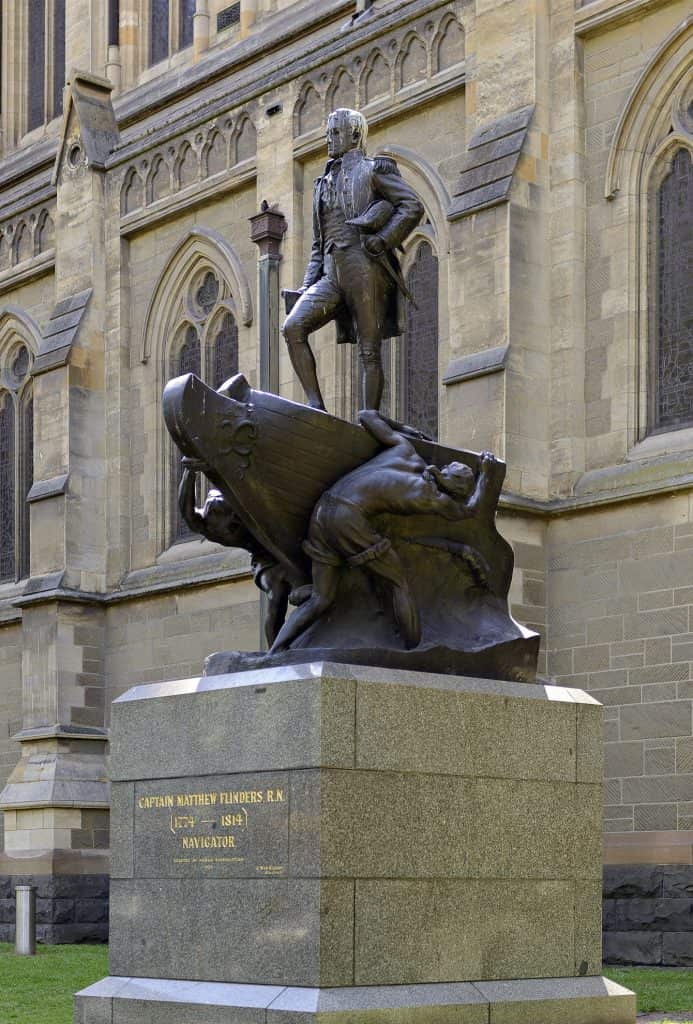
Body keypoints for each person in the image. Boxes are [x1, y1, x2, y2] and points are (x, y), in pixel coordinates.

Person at [270, 410, 498, 652]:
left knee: (321, 598)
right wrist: (486, 475)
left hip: (323, 510)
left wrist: (403, 427)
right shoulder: (432, 499)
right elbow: (470, 511)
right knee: (398, 583)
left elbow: (366, 415)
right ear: (457, 491)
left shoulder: (405, 449)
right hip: (348, 519)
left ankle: (275, 652)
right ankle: (412, 651)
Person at [282, 107, 424, 412]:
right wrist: (306, 287)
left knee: (369, 351)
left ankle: (369, 417)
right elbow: (318, 247)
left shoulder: (375, 170)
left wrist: (383, 239)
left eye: (336, 133)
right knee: (293, 328)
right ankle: (315, 406)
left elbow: (411, 206)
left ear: (355, 135)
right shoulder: (321, 185)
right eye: (328, 133)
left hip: (364, 268)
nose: (329, 139)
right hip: (331, 274)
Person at [178, 458, 290, 646]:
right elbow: (187, 513)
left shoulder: (233, 486)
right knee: (277, 593)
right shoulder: (211, 526)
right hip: (266, 558)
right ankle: (276, 651)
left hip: (286, 540)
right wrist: (189, 473)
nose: (233, 523)